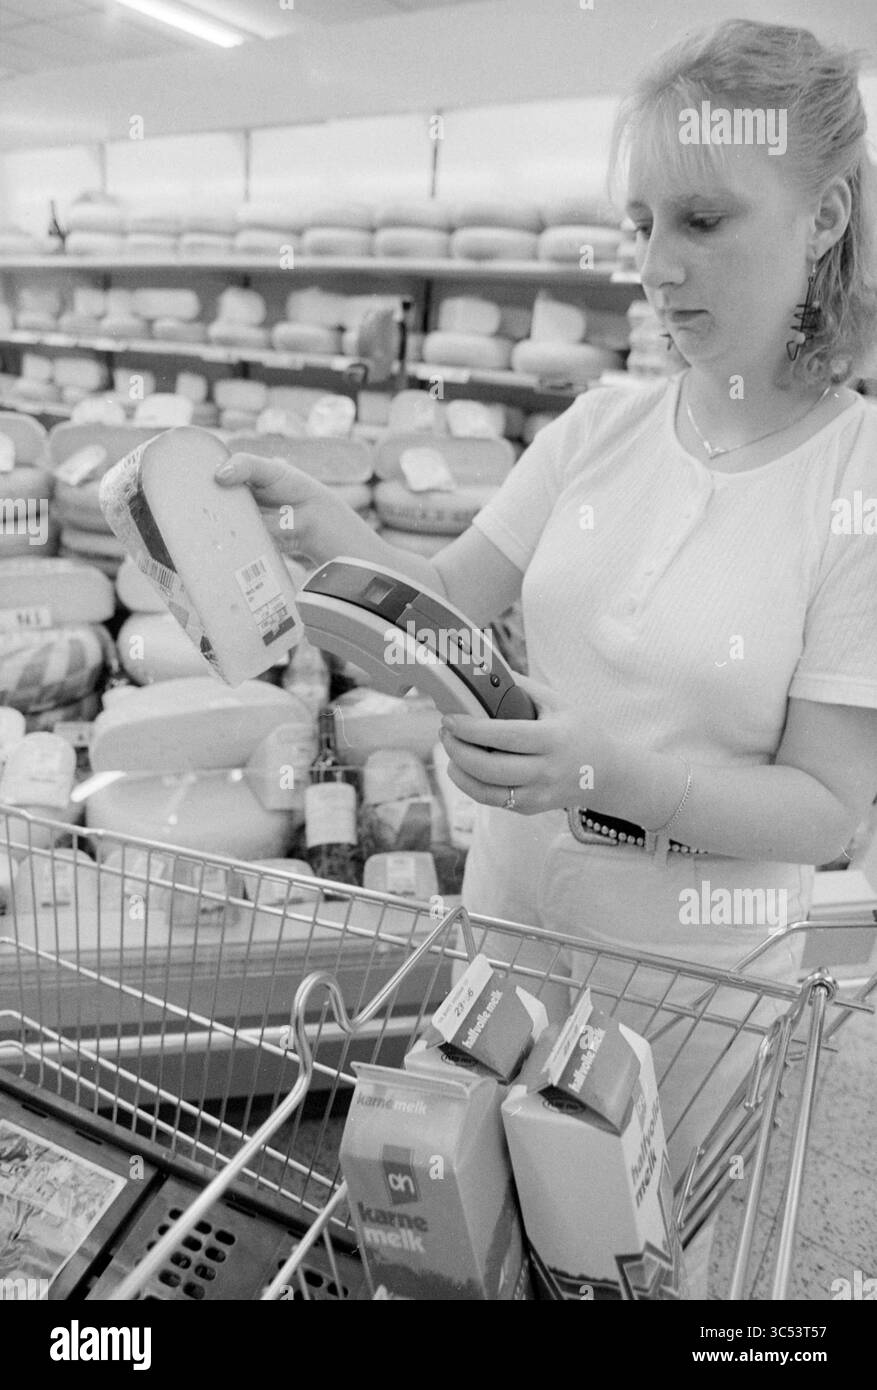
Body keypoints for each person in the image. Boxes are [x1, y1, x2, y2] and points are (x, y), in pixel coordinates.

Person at [216, 18, 877, 1297]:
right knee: (488, 1258)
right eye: (638, 226)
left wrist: (603, 772)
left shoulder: (859, 482)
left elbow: (826, 811)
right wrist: (302, 517)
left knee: (640, 1268)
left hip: (684, 1001)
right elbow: (439, 617)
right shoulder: (598, 429)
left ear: (824, 219)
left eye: (701, 221)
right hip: (511, 941)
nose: (654, 269)